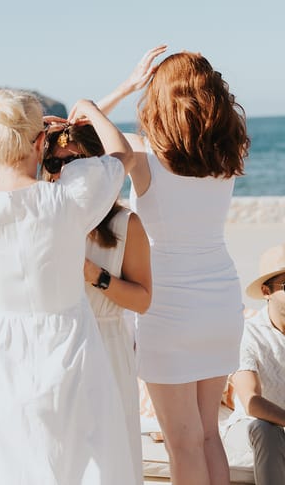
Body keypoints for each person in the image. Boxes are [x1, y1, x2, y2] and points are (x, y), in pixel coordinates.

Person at [0, 90, 136, 483]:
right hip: (71, 345)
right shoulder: (68, 200)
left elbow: (1, 185)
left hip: (5, 350)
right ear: (39, 142)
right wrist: (93, 111)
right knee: (86, 464)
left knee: (15, 463)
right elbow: (122, 155)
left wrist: (18, 146)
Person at [99, 46, 250, 484]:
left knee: (181, 442)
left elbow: (78, 127)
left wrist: (109, 95)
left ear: (160, 97)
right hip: (221, 302)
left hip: (168, 308)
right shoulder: (225, 155)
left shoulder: (144, 157)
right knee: (207, 437)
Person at [42, 123, 152, 484]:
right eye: (53, 163)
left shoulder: (124, 224)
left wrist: (96, 275)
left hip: (106, 348)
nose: (62, 172)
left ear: (96, 166)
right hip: (53, 347)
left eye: (73, 162)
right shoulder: (40, 217)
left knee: (108, 462)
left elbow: (142, 299)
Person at [224, 244, 285, 485]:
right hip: (249, 429)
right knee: (266, 430)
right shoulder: (248, 333)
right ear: (265, 290)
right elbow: (252, 402)